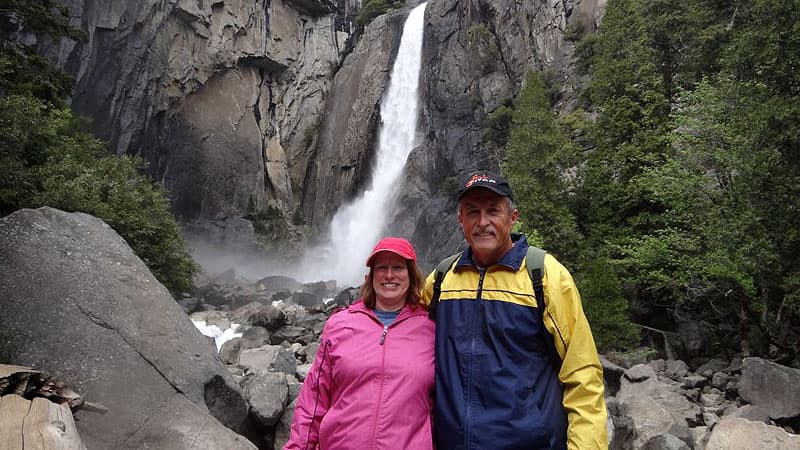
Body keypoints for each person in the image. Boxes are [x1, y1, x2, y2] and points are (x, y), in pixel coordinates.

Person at [423, 171, 608, 450]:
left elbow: (582, 375)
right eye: (473, 212)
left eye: (493, 211)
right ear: (461, 220)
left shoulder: (545, 277)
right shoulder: (441, 279)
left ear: (513, 217)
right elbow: (404, 345)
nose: (482, 222)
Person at [284, 237, 435, 450]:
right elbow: (315, 398)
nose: (389, 275)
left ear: (411, 275)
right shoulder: (340, 324)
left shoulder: (431, 328)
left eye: (398, 267)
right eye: (382, 267)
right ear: (371, 276)